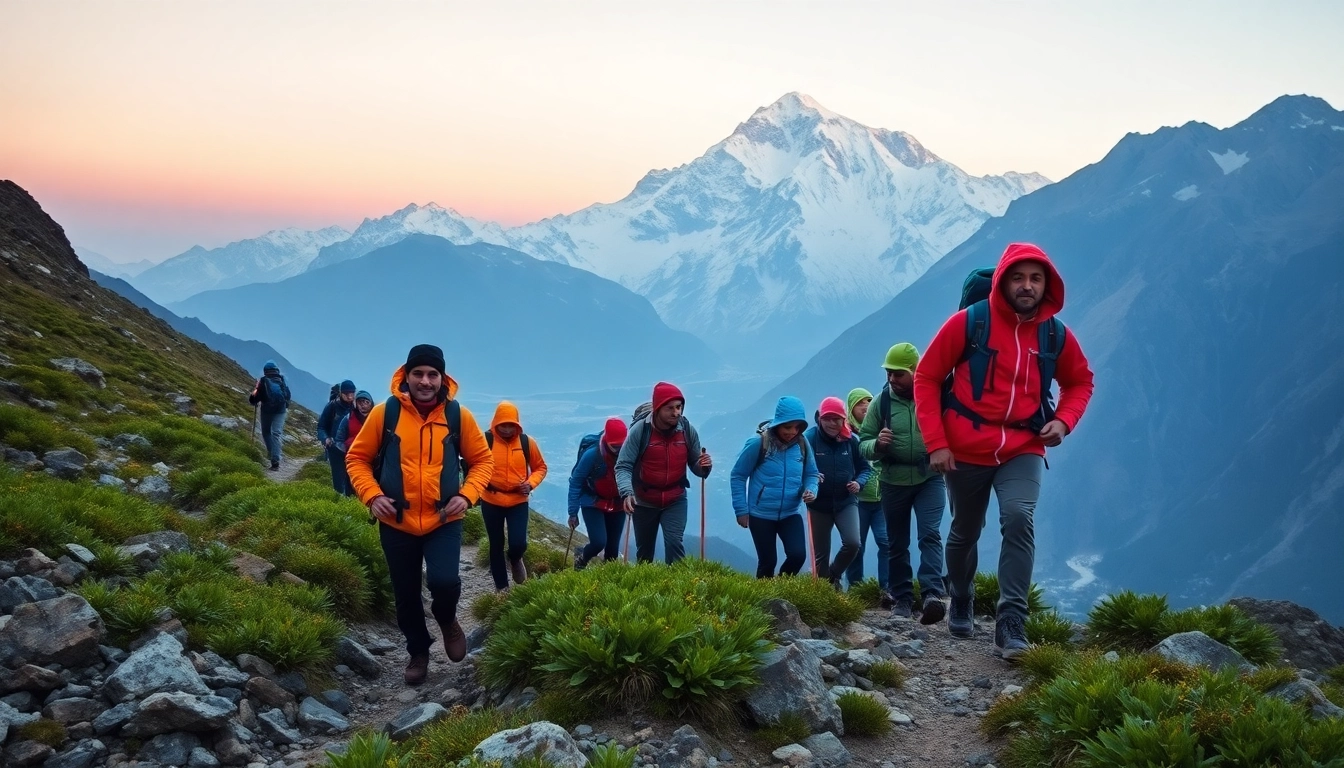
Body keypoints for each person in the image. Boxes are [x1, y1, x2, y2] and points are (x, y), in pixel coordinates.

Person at [915, 243, 1094, 660]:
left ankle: (1011, 620)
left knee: (1018, 517)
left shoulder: (1054, 334)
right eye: (1018, 278)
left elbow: (1080, 381)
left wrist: (1064, 420)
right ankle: (961, 595)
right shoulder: (969, 323)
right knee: (964, 532)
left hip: (1023, 445)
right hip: (965, 447)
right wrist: (937, 444)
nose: (1027, 286)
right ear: (1002, 282)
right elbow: (926, 377)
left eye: (1035, 278)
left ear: (1047, 284)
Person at [345, 344, 493, 685]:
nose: (425, 381)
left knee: (445, 582)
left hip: (444, 520)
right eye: (418, 374)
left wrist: (467, 495)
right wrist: (372, 496)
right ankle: (418, 651)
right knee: (406, 593)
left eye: (432, 374)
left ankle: (446, 618)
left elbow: (483, 461)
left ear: (442, 378)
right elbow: (357, 459)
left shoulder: (458, 416)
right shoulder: (385, 414)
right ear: (406, 376)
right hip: (397, 520)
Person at [859, 343, 947, 623]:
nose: (891, 378)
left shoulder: (934, 396)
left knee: (929, 534)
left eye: (898, 373)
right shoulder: (881, 402)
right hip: (892, 480)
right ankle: (903, 598)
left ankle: (932, 594)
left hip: (930, 477)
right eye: (888, 373)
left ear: (914, 371)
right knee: (897, 542)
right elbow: (863, 443)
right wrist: (877, 445)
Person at [614, 382, 712, 564]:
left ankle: (678, 581)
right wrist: (627, 492)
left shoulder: (687, 430)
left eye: (679, 407)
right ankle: (645, 581)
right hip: (644, 501)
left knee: (675, 543)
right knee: (645, 552)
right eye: (670, 408)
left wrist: (704, 466)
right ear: (658, 408)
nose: (677, 413)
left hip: (675, 499)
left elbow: (695, 465)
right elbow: (623, 465)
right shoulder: (640, 431)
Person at [730, 396, 818, 578]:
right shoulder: (759, 443)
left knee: (798, 556)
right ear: (778, 424)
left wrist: (812, 490)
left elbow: (811, 473)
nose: (792, 432)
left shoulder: (802, 443)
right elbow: (738, 475)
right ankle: (764, 595)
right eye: (788, 427)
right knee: (767, 562)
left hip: (791, 513)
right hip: (760, 514)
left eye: (797, 427)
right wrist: (741, 510)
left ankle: (780, 589)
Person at [480, 402, 548, 591]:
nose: (507, 429)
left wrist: (531, 483)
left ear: (517, 424)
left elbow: (540, 467)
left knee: (519, 543)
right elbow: (474, 463)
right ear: (496, 422)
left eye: (511, 425)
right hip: (491, 499)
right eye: (503, 425)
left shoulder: (526, 442)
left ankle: (515, 558)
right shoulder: (485, 441)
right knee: (496, 544)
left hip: (518, 500)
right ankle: (502, 588)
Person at [803, 396, 871, 587]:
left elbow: (865, 468)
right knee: (821, 556)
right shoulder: (809, 439)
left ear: (844, 419)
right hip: (818, 505)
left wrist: (858, 483)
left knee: (853, 543)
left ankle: (832, 577)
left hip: (846, 502)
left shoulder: (850, 441)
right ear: (819, 418)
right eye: (827, 418)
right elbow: (798, 468)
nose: (832, 423)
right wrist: (809, 482)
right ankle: (826, 594)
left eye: (837, 419)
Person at [844, 388, 890, 602]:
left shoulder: (882, 430)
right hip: (857, 502)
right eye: (859, 402)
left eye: (869, 401)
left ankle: (887, 589)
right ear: (850, 408)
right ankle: (856, 590)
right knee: (856, 546)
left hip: (882, 501)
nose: (865, 405)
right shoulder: (847, 436)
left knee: (886, 542)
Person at [568, 417, 629, 568]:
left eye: (622, 445)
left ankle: (609, 579)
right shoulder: (592, 455)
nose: (619, 450)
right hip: (593, 502)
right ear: (606, 441)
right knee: (598, 542)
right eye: (615, 446)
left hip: (617, 503)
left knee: (612, 550)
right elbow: (576, 482)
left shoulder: (630, 451)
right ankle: (582, 558)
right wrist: (573, 513)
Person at [248, 361, 291, 470]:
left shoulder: (263, 381)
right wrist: (285, 405)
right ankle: (275, 460)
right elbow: (288, 395)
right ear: (276, 370)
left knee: (266, 432)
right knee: (276, 433)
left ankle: (272, 453)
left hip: (266, 411)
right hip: (280, 410)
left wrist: (254, 393)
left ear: (265, 371)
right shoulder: (282, 380)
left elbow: (254, 399)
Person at [319, 380, 357, 494]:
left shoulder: (357, 406)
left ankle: (348, 501)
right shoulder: (332, 407)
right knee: (338, 481)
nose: (350, 397)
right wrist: (325, 439)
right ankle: (338, 501)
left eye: (352, 393)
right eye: (346, 394)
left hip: (352, 448)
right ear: (341, 393)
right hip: (335, 449)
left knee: (352, 480)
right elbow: (321, 427)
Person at [333, 391, 374, 493]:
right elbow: (339, 439)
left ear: (371, 403)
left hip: (373, 459)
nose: (363, 405)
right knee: (351, 486)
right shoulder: (348, 419)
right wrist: (347, 452)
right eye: (360, 402)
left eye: (366, 402)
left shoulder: (377, 418)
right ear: (356, 404)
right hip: (352, 458)